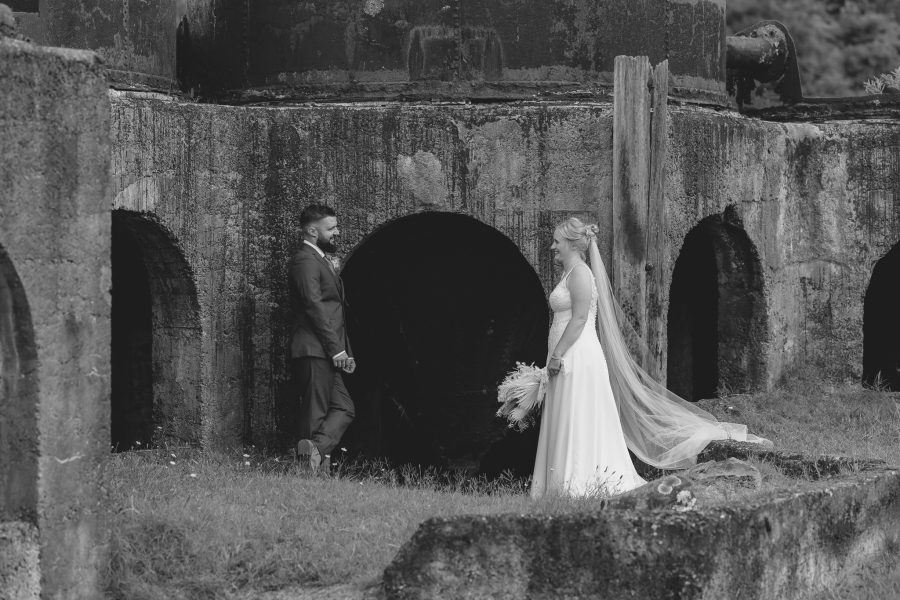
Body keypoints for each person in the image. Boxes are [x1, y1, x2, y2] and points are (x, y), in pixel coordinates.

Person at [531, 217, 769, 498]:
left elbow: (581, 318)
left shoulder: (581, 273)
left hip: (576, 354)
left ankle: (577, 482)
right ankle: (557, 484)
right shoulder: (569, 274)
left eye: (557, 242)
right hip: (564, 353)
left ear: (572, 244)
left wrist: (558, 353)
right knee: (564, 413)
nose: (552, 247)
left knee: (577, 413)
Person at [289, 203, 356, 471]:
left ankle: (313, 453)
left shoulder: (319, 259)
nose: (337, 232)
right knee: (315, 414)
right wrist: (336, 350)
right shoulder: (305, 260)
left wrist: (344, 352)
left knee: (344, 408)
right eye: (332, 228)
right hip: (314, 349)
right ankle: (311, 470)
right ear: (312, 231)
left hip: (329, 351)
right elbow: (314, 308)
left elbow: (334, 310)